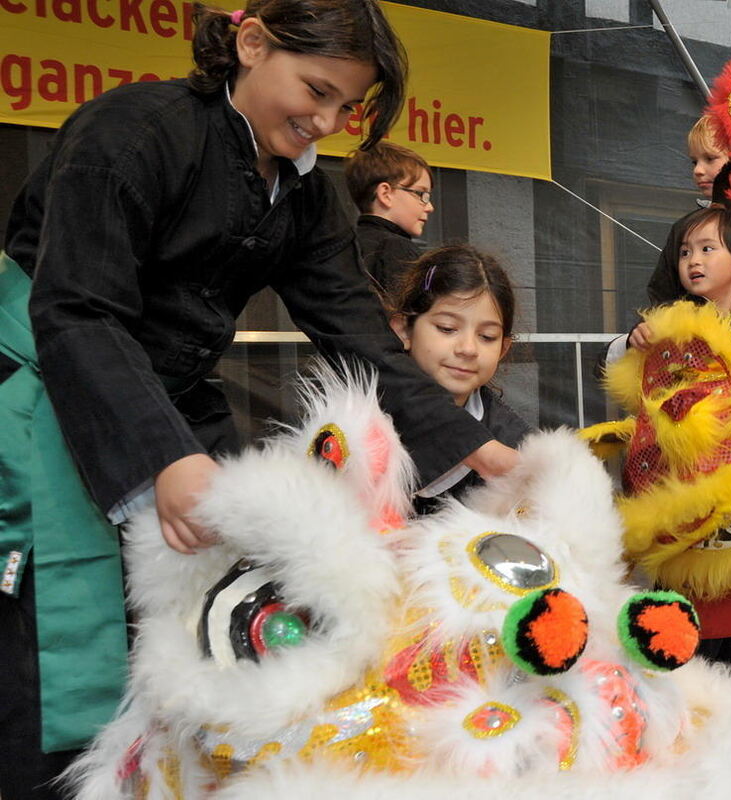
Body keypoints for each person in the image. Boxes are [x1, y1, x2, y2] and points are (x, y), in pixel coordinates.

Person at [0, 2, 516, 796]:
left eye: (345, 107)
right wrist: (163, 456)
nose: (325, 120)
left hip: (168, 396)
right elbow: (79, 310)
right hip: (52, 385)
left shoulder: (303, 197)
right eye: (314, 90)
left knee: (219, 611)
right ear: (249, 44)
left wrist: (471, 443)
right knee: (59, 652)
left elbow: (354, 328)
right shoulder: (133, 131)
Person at [388, 245, 532, 513]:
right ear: (404, 330)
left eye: (487, 336)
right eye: (447, 328)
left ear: (503, 348)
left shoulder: (516, 444)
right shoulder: (357, 422)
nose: (468, 348)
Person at [630, 206, 731, 353]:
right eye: (685, 253)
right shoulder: (669, 316)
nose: (693, 260)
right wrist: (639, 335)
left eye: (707, 249)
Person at [345, 141, 435, 299]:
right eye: (422, 194)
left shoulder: (343, 244)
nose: (429, 207)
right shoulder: (399, 250)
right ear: (385, 194)